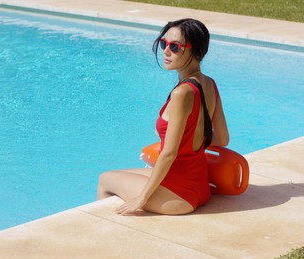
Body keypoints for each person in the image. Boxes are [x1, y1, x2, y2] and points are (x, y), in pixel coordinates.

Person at [97, 18, 229, 215]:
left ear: (195, 51)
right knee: (121, 174)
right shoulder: (210, 84)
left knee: (105, 179)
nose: (166, 51)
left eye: (174, 47)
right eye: (163, 44)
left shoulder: (182, 94)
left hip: (178, 195)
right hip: (199, 185)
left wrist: (142, 198)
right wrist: (190, 143)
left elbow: (169, 153)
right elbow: (222, 139)